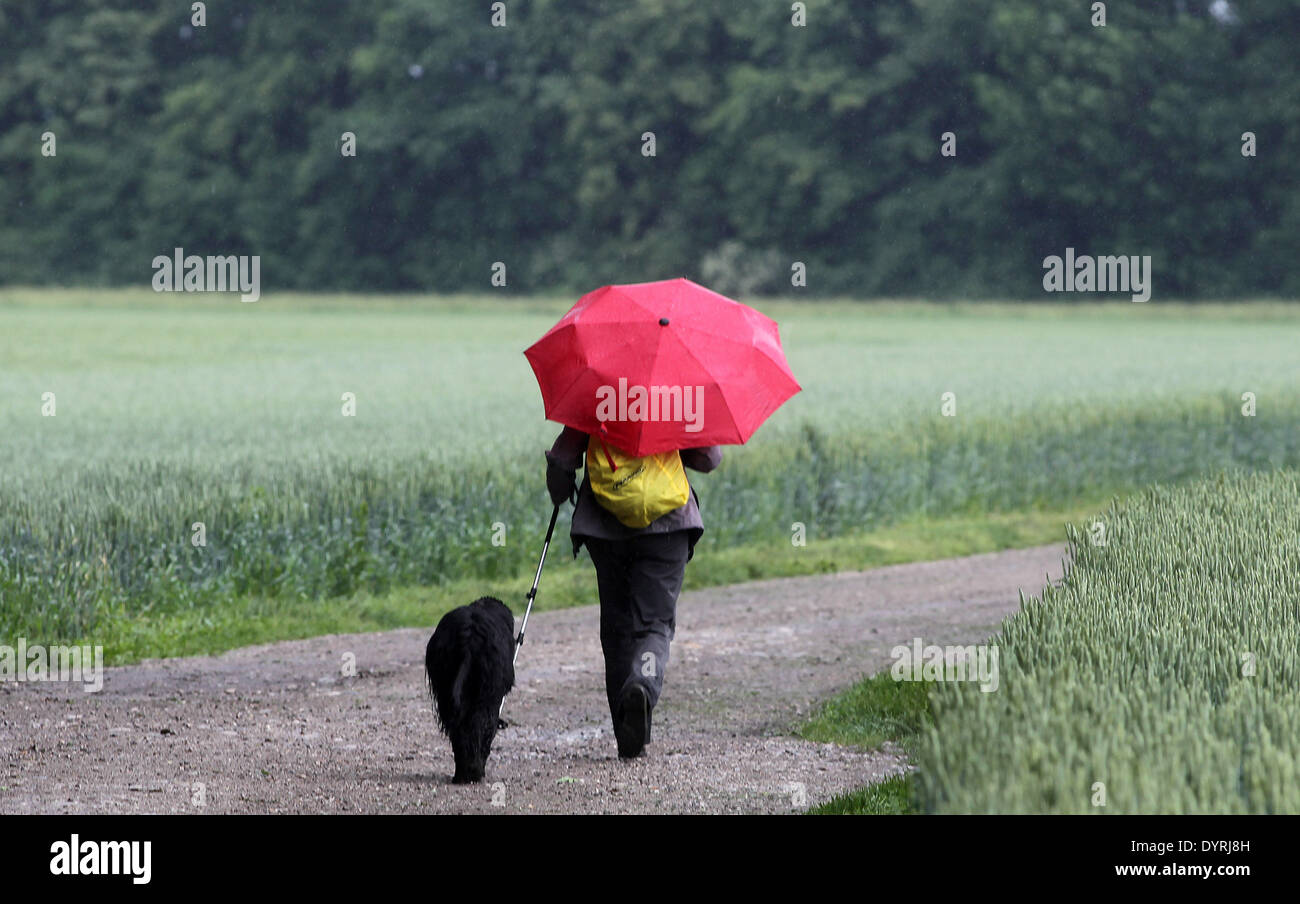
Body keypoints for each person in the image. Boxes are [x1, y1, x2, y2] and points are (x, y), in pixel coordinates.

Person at [545, 426, 722, 759]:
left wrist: (560, 488)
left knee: (617, 633)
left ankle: (628, 737)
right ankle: (643, 682)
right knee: (654, 626)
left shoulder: (596, 391)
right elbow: (709, 458)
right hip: (667, 528)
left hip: (604, 528)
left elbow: (562, 463)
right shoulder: (674, 396)